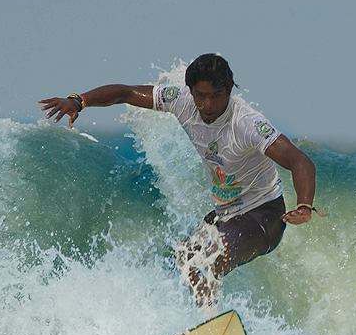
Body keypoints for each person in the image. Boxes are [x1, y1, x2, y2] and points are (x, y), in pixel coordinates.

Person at [39, 54, 322, 312]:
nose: (207, 105)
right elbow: (125, 92)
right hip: (226, 214)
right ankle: (208, 322)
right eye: (200, 95)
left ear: (229, 90)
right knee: (185, 256)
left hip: (264, 215)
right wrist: (79, 100)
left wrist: (305, 206)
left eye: (216, 96)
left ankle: (212, 327)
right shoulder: (181, 101)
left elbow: (300, 161)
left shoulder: (247, 124)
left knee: (209, 259)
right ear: (190, 92)